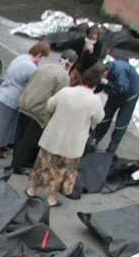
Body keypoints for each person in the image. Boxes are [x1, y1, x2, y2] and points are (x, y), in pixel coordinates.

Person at [26, 66, 105, 207]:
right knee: (61, 170)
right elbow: (98, 119)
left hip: (53, 136)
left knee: (42, 164)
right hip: (72, 143)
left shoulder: (65, 92)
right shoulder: (94, 101)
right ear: (96, 84)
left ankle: (32, 189)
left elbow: (50, 106)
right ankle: (51, 198)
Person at [10, 49, 76, 174]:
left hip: (25, 104)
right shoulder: (63, 77)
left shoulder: (44, 67)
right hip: (39, 111)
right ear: (71, 63)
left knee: (20, 136)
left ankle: (15, 160)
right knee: (29, 142)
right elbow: (58, 98)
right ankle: (17, 166)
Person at [0, 41, 51, 157]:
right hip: (12, 99)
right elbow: (34, 84)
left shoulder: (21, 58)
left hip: (3, 93)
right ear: (39, 55)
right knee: (5, 125)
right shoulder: (30, 67)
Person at [88, 59, 139, 156]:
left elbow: (122, 89)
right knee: (105, 117)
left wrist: (106, 83)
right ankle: (93, 141)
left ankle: (111, 151)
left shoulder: (119, 71)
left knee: (121, 123)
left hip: (130, 93)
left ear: (105, 73)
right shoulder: (102, 74)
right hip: (114, 91)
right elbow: (97, 88)